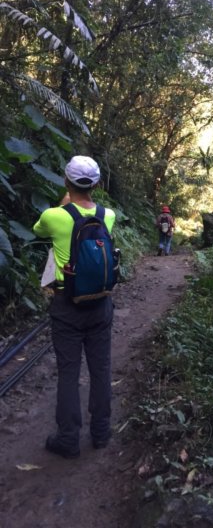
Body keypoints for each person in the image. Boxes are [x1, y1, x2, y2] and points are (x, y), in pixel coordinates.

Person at [32, 155, 116, 459]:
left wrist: (63, 201)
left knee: (68, 372)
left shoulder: (55, 216)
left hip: (67, 306)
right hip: (100, 304)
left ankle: (68, 438)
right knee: (101, 368)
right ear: (96, 184)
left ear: (66, 182)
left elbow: (38, 230)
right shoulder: (109, 215)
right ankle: (101, 432)